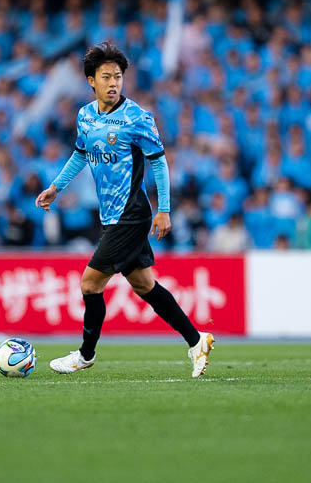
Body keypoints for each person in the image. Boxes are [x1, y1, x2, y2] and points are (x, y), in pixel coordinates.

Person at [35, 42, 215, 378]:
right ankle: (196, 340)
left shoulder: (137, 117)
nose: (113, 83)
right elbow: (80, 154)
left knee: (90, 284)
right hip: (110, 215)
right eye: (106, 77)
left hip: (131, 214)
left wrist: (164, 209)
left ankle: (85, 355)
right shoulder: (85, 116)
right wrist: (56, 187)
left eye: (117, 76)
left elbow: (159, 162)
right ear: (91, 80)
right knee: (145, 286)